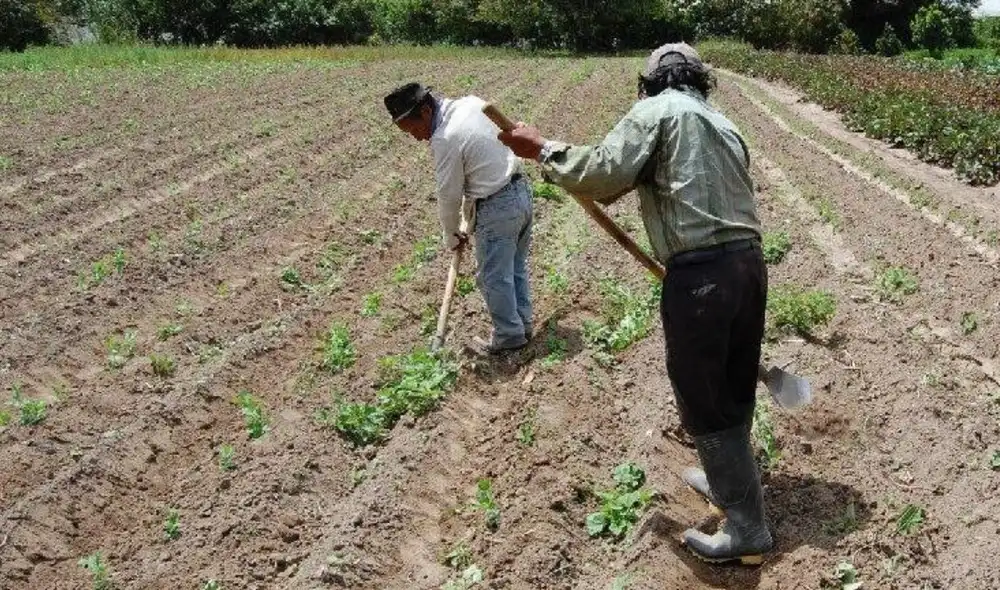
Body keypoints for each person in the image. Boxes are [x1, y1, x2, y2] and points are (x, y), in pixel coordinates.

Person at [497, 44, 772, 564]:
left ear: (651, 81)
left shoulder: (657, 111)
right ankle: (728, 485)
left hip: (701, 276)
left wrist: (542, 149)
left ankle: (747, 530)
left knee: (702, 395)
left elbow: (603, 173)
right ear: (699, 80)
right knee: (731, 382)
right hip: (747, 265)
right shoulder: (722, 122)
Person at [384, 82, 534, 354]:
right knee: (513, 268)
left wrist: (451, 234)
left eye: (414, 129)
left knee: (493, 277)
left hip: (497, 206)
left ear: (427, 111)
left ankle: (510, 336)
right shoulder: (471, 103)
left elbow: (448, 194)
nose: (417, 137)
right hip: (521, 191)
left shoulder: (445, 137)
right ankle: (522, 325)